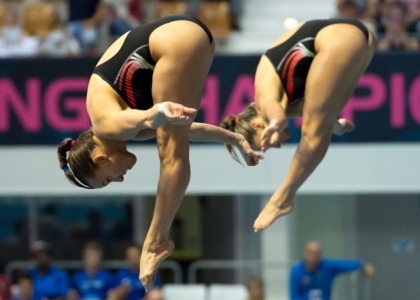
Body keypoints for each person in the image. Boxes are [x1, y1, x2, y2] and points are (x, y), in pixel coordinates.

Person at [56, 14, 262, 290]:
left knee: (171, 153)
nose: (120, 179)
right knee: (173, 139)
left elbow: (144, 119)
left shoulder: (105, 123)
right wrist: (235, 138)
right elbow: (185, 128)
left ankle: (154, 242)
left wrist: (158, 111)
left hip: (175, 42)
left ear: (100, 158)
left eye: (108, 178)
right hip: (185, 38)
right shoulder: (118, 130)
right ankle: (156, 239)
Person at [220, 18, 375, 232]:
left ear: (257, 125)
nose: (275, 146)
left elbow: (277, 116)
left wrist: (274, 124)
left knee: (311, 133)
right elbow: (319, 111)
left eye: (264, 145)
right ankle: (284, 198)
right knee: (320, 123)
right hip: (359, 39)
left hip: (336, 37)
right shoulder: (288, 104)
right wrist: (337, 125)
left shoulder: (264, 98)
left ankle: (281, 198)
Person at [289, 241, 375, 300]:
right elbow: (294, 296)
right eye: (311, 252)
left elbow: (343, 265)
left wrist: (362, 264)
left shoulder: (326, 267)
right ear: (305, 253)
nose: (313, 256)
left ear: (320, 254)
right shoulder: (296, 271)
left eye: (317, 253)